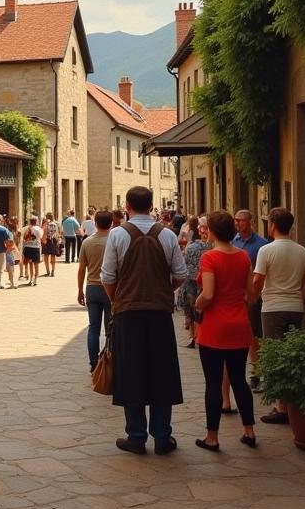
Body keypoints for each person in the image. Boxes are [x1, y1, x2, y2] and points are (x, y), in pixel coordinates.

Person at [101, 185, 187, 456]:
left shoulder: (117, 235)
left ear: (127, 206)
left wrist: (119, 299)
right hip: (159, 312)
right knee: (162, 371)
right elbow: (181, 274)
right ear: (152, 207)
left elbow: (108, 277)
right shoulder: (168, 235)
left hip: (128, 313)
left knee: (131, 372)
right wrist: (162, 290)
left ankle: (136, 436)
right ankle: (162, 436)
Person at [193, 211, 257, 452]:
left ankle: (212, 437)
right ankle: (249, 431)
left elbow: (208, 294)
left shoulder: (210, 258)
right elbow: (251, 294)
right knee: (239, 379)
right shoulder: (243, 256)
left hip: (215, 328)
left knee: (213, 383)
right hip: (239, 324)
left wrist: (197, 304)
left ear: (212, 231)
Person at [253, 207, 305, 424]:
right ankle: (292, 402)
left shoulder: (266, 251)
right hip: (295, 308)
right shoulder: (302, 251)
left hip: (273, 308)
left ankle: (281, 408)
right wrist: (299, 300)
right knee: (292, 355)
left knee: (275, 356)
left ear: (273, 225)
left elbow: (258, 281)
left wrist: (252, 297)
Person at [232, 209, 269, 388]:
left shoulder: (262, 244)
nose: (238, 224)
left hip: (254, 296)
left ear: (250, 222)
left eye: (241, 220)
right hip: (236, 296)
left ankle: (256, 372)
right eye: (236, 220)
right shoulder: (233, 242)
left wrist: (254, 295)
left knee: (255, 336)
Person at [77, 210, 113, 371]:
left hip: (92, 286)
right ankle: (110, 360)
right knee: (111, 328)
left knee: (93, 327)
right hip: (110, 287)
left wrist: (79, 290)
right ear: (111, 223)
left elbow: (81, 269)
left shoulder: (87, 242)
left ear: (95, 224)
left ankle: (93, 363)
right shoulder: (114, 241)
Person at [178, 217, 209, 348]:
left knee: (191, 309)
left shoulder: (191, 247)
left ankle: (192, 336)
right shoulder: (213, 246)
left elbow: (185, 265)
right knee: (203, 311)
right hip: (205, 282)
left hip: (191, 282)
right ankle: (201, 335)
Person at [20, 216, 43, 286]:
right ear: (36, 221)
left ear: (30, 221)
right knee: (36, 264)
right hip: (36, 247)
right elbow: (40, 237)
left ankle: (31, 280)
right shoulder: (39, 229)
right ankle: (35, 280)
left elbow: (22, 236)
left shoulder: (25, 228)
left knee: (30, 264)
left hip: (28, 248)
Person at [4, 216, 19, 288]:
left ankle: (12, 283)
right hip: (14, 250)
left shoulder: (9, 232)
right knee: (11, 266)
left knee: (10, 266)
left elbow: (10, 242)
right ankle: (11, 281)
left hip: (9, 250)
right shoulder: (16, 231)